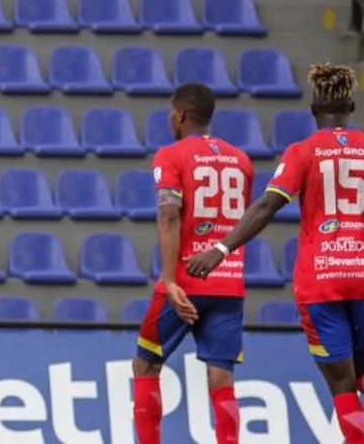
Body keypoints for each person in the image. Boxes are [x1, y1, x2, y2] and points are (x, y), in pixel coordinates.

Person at [189, 62, 364, 443]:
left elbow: (267, 206)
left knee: (344, 385)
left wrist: (220, 248)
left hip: (322, 281)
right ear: (352, 107)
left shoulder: (304, 151)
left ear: (313, 109)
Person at [131, 84, 252, 444]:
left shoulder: (171, 155)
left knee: (145, 364)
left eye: (172, 112)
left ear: (181, 115)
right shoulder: (241, 160)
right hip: (228, 282)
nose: (171, 118)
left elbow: (169, 215)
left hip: (185, 281)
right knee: (222, 378)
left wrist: (169, 280)